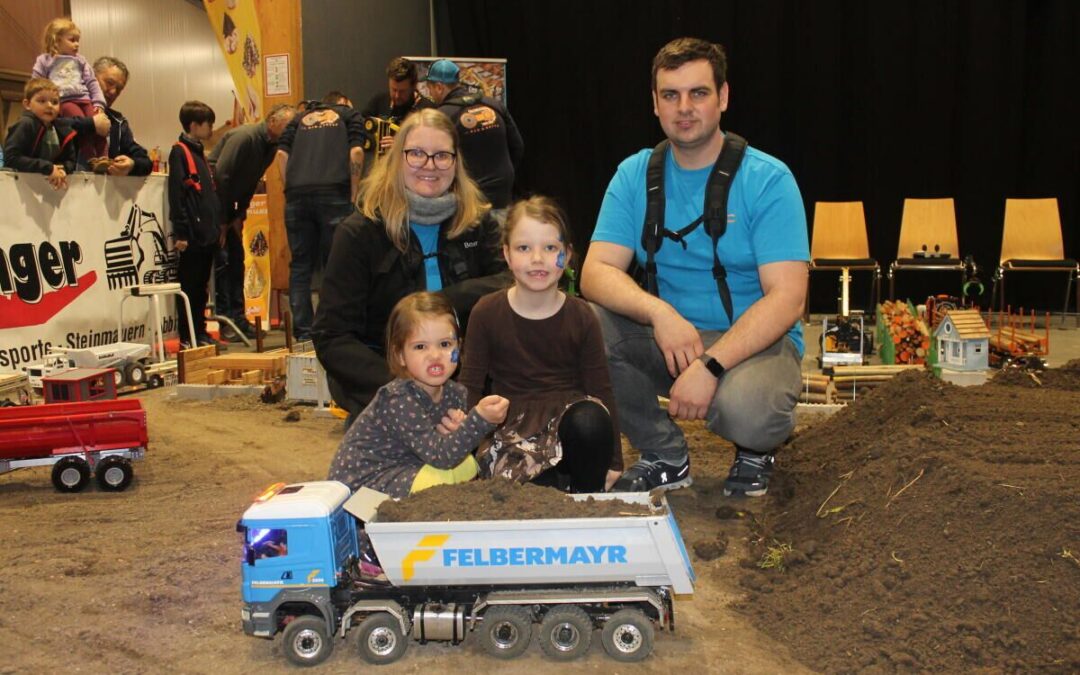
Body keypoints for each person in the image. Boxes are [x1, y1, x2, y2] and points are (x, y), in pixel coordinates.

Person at [581, 38, 808, 497]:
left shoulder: (768, 179)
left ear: (723, 98)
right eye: (670, 95)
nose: (684, 108)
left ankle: (754, 449)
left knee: (750, 410)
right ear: (655, 103)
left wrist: (710, 365)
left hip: (750, 345)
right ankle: (664, 453)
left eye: (698, 93)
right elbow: (595, 272)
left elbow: (789, 299)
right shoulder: (634, 174)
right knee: (582, 325)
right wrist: (660, 315)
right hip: (670, 340)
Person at [312, 108, 509, 423]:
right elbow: (332, 336)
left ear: (456, 163)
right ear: (396, 159)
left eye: (442, 155)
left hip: (467, 379)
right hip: (385, 381)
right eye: (417, 153)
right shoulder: (359, 233)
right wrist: (400, 386)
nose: (430, 166)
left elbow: (509, 280)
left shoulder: (477, 224)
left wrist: (447, 301)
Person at [459, 196, 623, 493]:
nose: (537, 258)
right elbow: (468, 387)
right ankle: (554, 486)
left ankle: (587, 502)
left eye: (550, 248)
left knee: (591, 420)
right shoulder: (486, 312)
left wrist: (614, 462)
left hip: (570, 427)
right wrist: (459, 451)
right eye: (524, 248)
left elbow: (601, 390)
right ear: (506, 255)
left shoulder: (582, 315)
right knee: (533, 493)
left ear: (568, 255)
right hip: (511, 432)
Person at [327, 291, 509, 498]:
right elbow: (441, 457)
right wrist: (478, 421)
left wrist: (461, 430)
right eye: (420, 347)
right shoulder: (399, 398)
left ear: (459, 347)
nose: (435, 355)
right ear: (400, 355)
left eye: (445, 344)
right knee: (440, 481)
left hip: (409, 467)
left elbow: (450, 449)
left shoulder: (456, 393)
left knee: (468, 466)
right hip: (363, 484)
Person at [275, 91, 367, 341]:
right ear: (344, 102)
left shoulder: (299, 118)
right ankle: (332, 327)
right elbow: (356, 153)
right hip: (334, 193)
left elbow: (281, 156)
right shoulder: (350, 115)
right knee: (335, 262)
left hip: (297, 196)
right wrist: (354, 192)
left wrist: (289, 190)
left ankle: (303, 332)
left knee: (301, 266)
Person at [208, 103, 297, 340]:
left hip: (233, 211)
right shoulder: (246, 137)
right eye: (288, 125)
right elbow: (222, 176)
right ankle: (226, 321)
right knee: (224, 264)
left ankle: (239, 318)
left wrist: (240, 215)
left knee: (238, 262)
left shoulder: (271, 146)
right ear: (272, 122)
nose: (292, 131)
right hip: (216, 209)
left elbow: (249, 182)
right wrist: (223, 221)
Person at [425, 59, 524, 211]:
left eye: (430, 88)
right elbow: (517, 147)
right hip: (502, 196)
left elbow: (435, 161)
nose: (430, 94)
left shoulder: (442, 117)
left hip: (468, 202)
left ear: (439, 87)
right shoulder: (494, 105)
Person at [168, 101, 225, 350]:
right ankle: (188, 334)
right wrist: (181, 232)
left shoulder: (199, 152)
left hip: (206, 233)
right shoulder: (180, 151)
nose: (212, 128)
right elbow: (177, 193)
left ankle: (199, 330)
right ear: (193, 125)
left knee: (201, 288)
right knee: (189, 286)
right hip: (191, 234)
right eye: (208, 123)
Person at [32, 17, 106, 165]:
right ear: (56, 40)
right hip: (65, 101)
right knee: (83, 127)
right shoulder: (45, 60)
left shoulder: (80, 60)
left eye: (78, 40)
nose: (77, 44)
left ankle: (104, 156)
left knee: (100, 125)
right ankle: (92, 158)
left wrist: (98, 102)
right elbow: (36, 82)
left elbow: (91, 81)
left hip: (85, 98)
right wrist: (38, 101)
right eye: (72, 40)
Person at [67, 56, 152, 177]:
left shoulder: (118, 122)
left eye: (119, 89)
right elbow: (58, 123)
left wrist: (132, 164)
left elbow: (146, 162)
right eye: (109, 83)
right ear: (91, 78)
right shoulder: (61, 106)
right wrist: (91, 123)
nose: (113, 92)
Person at [3, 78, 77, 190]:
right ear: (27, 104)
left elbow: (70, 160)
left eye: (55, 102)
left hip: (48, 188)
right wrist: (48, 168)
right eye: (42, 101)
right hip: (19, 187)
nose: (49, 106)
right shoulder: (25, 124)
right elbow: (11, 158)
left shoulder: (63, 129)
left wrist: (63, 169)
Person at [360, 57, 435, 153]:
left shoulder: (427, 109)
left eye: (402, 91)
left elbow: (433, 144)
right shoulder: (379, 100)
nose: (396, 96)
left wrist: (403, 145)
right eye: (393, 89)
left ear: (414, 86)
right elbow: (360, 125)